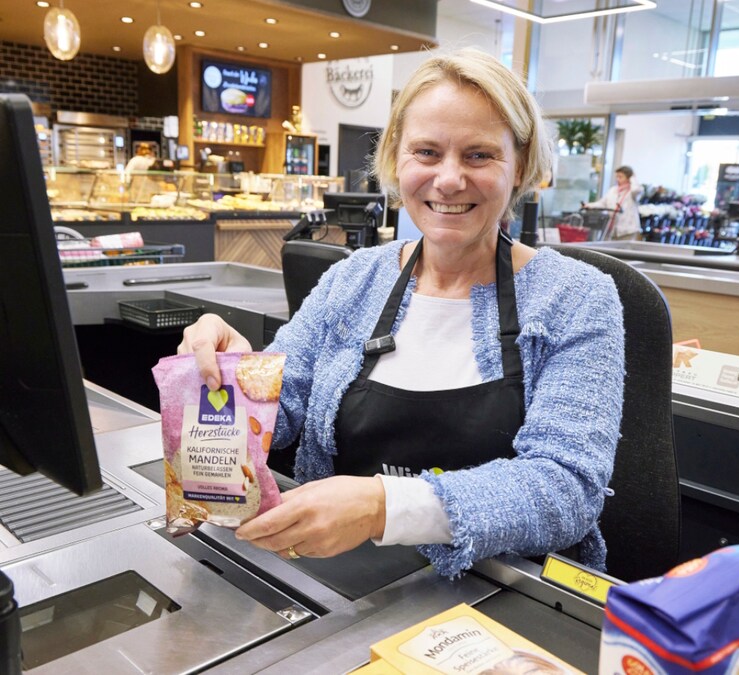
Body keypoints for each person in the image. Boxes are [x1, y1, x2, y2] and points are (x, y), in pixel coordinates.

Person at [177, 48, 625, 578]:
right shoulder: (352, 280)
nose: (450, 179)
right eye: (428, 152)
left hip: (503, 598)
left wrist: (382, 508)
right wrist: (227, 378)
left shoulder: (576, 299)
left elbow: (566, 488)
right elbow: (278, 411)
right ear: (397, 159)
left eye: (480, 155)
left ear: (521, 165)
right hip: (339, 579)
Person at [586, 165, 643, 241]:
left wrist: (633, 177)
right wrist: (589, 206)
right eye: (617, 177)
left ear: (628, 178)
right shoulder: (613, 190)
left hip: (628, 231)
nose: (617, 179)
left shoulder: (633, 191)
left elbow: (636, 190)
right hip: (614, 230)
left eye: (620, 177)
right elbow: (602, 203)